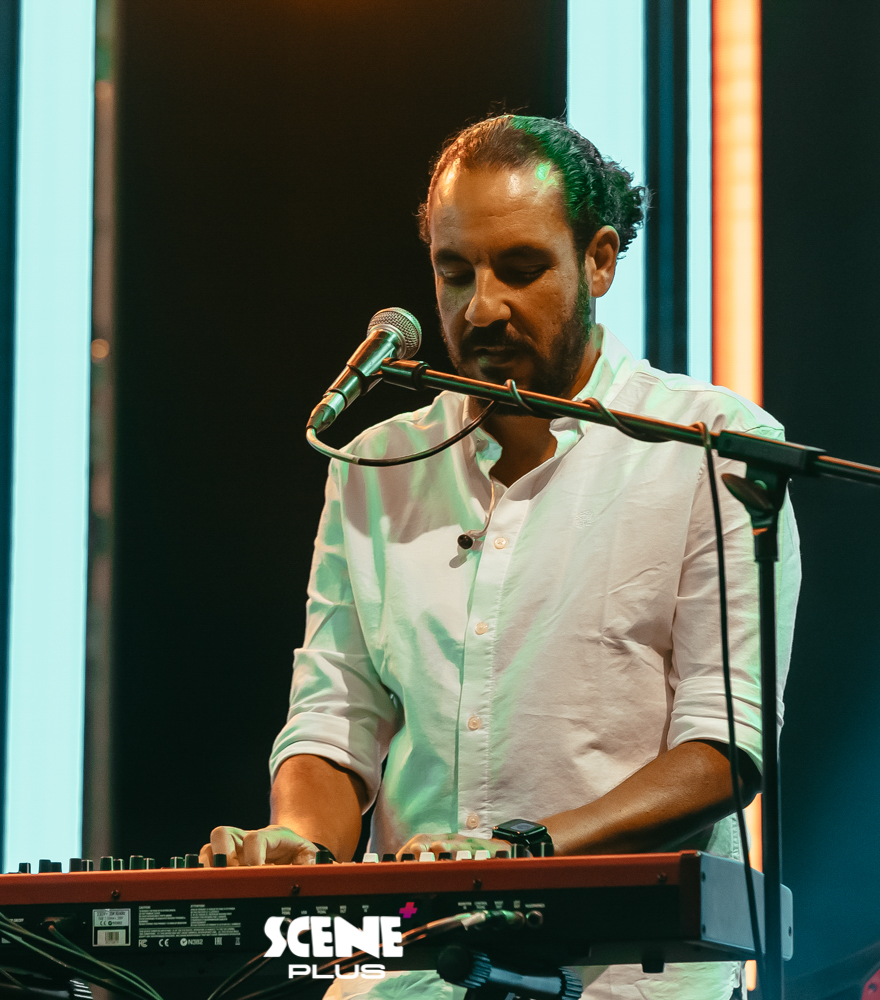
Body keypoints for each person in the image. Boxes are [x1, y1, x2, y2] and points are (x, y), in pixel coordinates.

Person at [199, 115, 801, 1000]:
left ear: (599, 260)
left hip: (623, 976)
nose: (481, 307)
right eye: (455, 273)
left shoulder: (714, 449)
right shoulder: (375, 465)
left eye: (520, 269)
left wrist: (523, 852)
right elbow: (335, 717)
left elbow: (724, 746)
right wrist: (301, 842)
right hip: (402, 975)